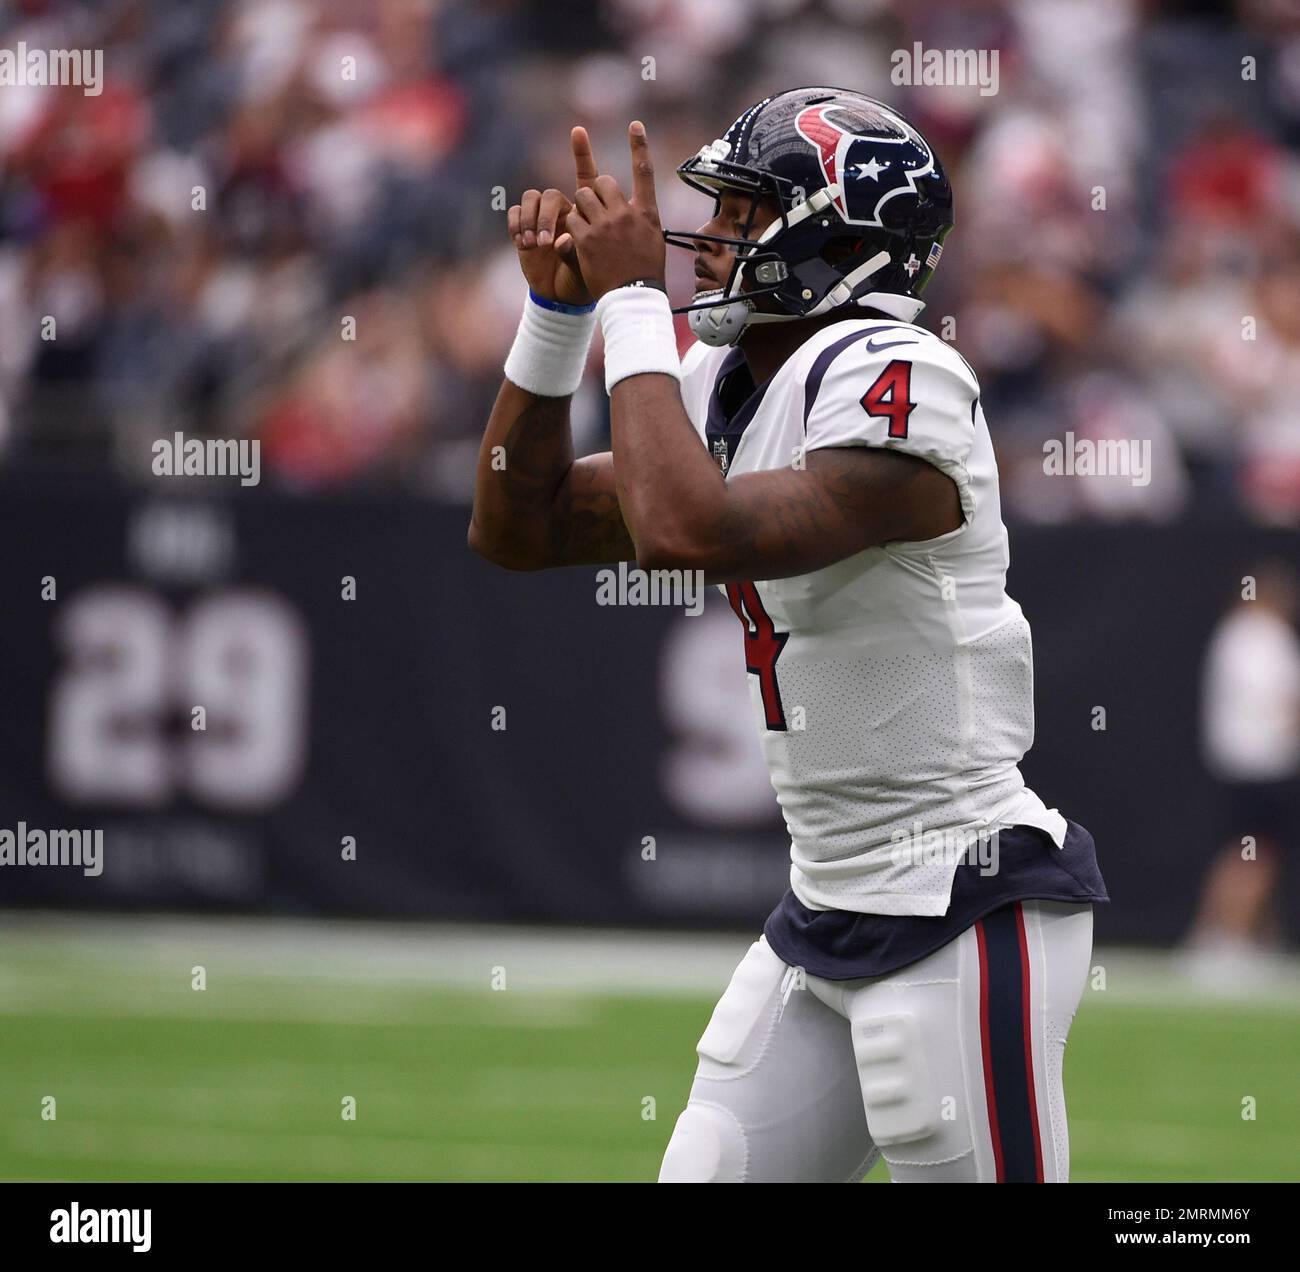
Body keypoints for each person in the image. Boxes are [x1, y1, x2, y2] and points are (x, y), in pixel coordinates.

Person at [469, 87, 1108, 1183]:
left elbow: (683, 531)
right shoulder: (725, 381)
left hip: (962, 897)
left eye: (742, 215)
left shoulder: (900, 379)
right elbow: (513, 527)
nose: (709, 241)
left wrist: (631, 306)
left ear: (837, 241)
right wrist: (557, 320)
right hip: (825, 898)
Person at [1187, 561, 1300, 985]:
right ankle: (1224, 937)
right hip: (1262, 767)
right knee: (1254, 856)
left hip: (1241, 765)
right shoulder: (1261, 638)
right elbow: (1285, 705)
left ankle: (1247, 937)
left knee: (1250, 853)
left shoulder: (1234, 636)